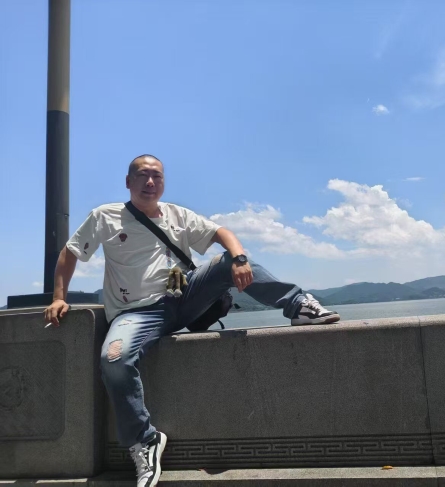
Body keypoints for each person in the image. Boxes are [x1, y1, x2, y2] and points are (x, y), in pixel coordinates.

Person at [44, 154, 340, 487]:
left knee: (230, 261)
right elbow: (70, 252)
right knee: (113, 360)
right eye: (142, 175)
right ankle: (145, 440)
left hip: (184, 297)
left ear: (163, 181)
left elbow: (222, 232)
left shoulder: (177, 215)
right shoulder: (105, 216)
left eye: (157, 176)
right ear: (128, 182)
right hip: (137, 314)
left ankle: (299, 306)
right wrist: (59, 297)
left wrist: (240, 258)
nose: (150, 182)